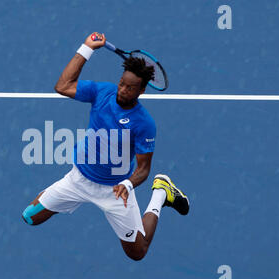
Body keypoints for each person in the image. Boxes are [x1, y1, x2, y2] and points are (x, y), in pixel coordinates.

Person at [22, 32, 189, 261]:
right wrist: (87, 48)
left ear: (142, 91)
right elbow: (63, 86)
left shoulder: (144, 123)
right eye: (122, 83)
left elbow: (143, 169)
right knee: (31, 217)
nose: (122, 90)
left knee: (137, 252)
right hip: (77, 179)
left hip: (115, 191)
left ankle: (161, 192)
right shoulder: (102, 92)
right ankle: (53, 195)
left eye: (130, 88)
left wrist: (128, 185)